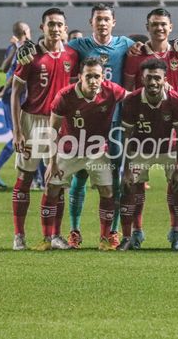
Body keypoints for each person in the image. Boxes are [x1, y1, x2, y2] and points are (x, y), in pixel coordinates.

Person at [17, 3, 135, 249]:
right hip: (63, 127)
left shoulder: (125, 44)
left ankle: (109, 235)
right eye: (98, 19)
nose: (102, 23)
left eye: (106, 19)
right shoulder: (76, 48)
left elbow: (143, 67)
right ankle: (65, 233)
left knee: (112, 184)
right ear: (90, 23)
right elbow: (47, 46)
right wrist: (25, 46)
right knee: (59, 182)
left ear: (113, 22)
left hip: (109, 128)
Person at [123, 8, 178, 247]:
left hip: (171, 125)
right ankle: (136, 232)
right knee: (134, 186)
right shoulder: (135, 55)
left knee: (176, 184)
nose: (160, 28)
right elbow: (128, 90)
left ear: (171, 27)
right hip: (143, 128)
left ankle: (176, 231)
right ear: (148, 28)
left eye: (164, 24)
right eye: (155, 24)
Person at [10, 8, 79, 251]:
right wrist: (16, 131)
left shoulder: (73, 54)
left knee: (56, 181)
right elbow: (16, 92)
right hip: (32, 121)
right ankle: (19, 236)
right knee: (25, 178)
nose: (56, 28)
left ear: (65, 28)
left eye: (59, 24)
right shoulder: (31, 55)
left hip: (59, 123)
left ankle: (53, 236)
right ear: (43, 28)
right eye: (51, 24)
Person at [43, 57, 129, 251]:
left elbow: (133, 97)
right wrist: (52, 162)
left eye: (96, 76)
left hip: (97, 152)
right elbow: (52, 130)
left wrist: (163, 88)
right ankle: (52, 237)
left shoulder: (111, 90)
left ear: (102, 77)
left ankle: (105, 239)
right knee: (52, 190)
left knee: (107, 191)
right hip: (69, 151)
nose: (93, 81)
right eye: (88, 76)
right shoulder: (64, 96)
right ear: (80, 77)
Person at [0, 21, 31, 189]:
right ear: (26, 31)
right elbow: (8, 71)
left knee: (25, 136)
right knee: (20, 137)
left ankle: (31, 178)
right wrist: (3, 91)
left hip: (15, 95)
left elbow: (5, 69)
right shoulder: (22, 49)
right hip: (14, 96)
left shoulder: (19, 48)